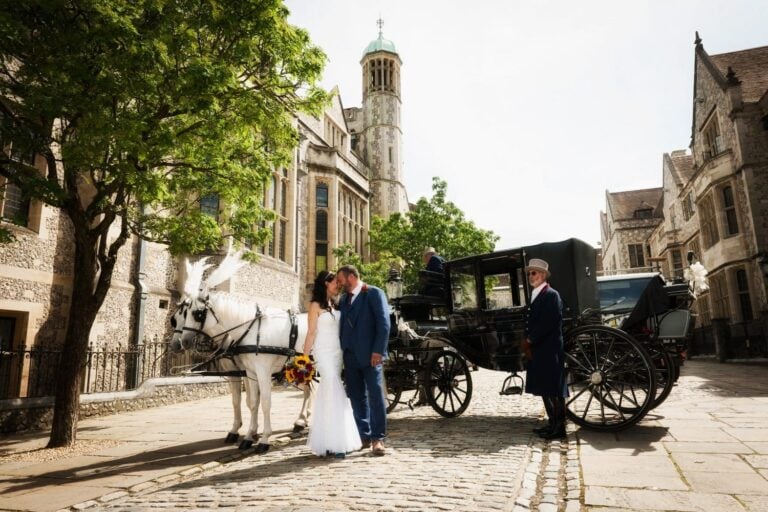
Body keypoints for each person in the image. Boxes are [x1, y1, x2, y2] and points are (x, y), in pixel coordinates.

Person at [303, 270, 362, 458]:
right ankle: (337, 443)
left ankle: (329, 440)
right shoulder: (315, 305)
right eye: (335, 282)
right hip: (323, 352)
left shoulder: (337, 304)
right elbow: (311, 332)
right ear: (325, 284)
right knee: (333, 388)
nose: (339, 284)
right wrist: (303, 360)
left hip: (337, 353)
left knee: (329, 394)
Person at [336, 265, 391, 456]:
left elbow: (384, 324)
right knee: (357, 397)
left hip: (371, 356)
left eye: (341, 280)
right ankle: (363, 435)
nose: (340, 284)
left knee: (375, 396)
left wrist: (378, 351)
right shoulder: (344, 299)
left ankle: (378, 438)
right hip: (350, 357)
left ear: (351, 277)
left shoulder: (374, 293)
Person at [522, 258, 568, 440]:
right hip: (539, 348)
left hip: (549, 347)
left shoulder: (551, 295)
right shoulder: (536, 294)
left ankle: (560, 427)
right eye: (529, 273)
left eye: (534, 273)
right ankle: (552, 423)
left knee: (554, 388)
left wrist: (530, 339)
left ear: (542, 275)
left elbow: (549, 322)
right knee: (545, 387)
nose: (531, 276)